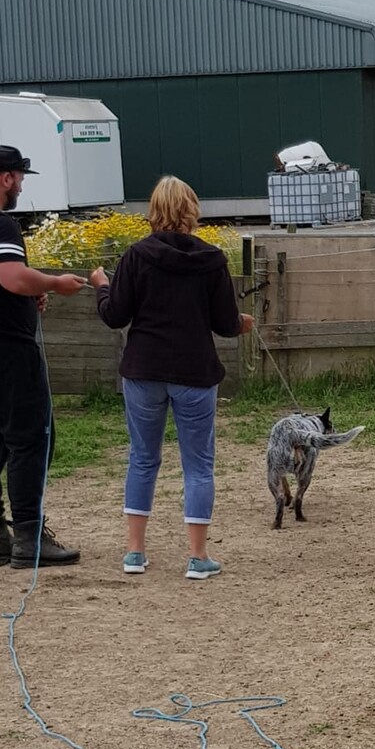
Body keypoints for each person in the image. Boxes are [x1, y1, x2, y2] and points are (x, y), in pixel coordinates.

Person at [90, 176, 254, 580]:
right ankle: (197, 557)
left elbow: (115, 315)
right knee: (198, 465)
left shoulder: (136, 256)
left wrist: (101, 286)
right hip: (195, 372)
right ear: (191, 210)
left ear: (153, 211)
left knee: (142, 458)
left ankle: (134, 552)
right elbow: (224, 323)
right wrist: (241, 323)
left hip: (144, 370)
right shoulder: (212, 260)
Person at [0, 146, 86, 568]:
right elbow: (10, 276)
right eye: (20, 178)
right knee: (31, 440)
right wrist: (55, 283)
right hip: (5, 351)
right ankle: (29, 537)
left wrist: (30, 294)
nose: (21, 187)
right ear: (6, 178)